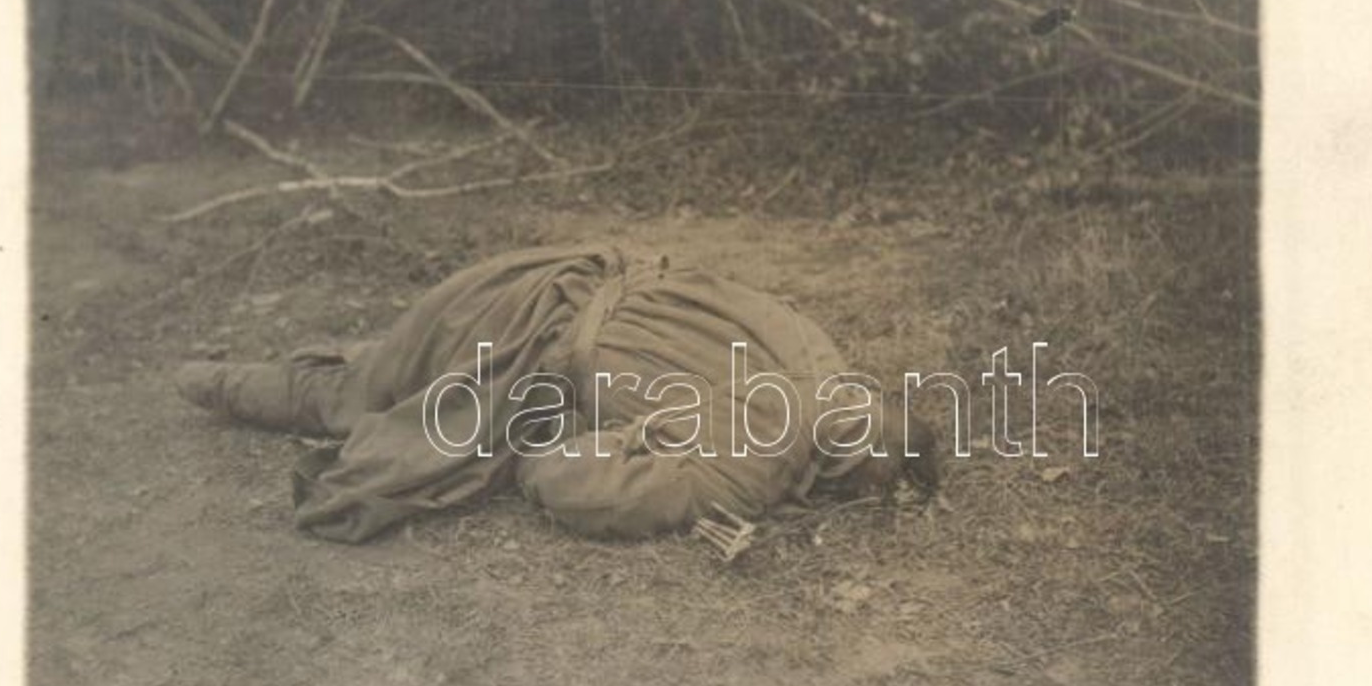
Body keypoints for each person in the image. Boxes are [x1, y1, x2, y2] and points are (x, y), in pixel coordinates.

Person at [174, 243, 938, 545]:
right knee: (373, 412)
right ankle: (215, 383)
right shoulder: (748, 470)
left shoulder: (819, 353)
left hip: (561, 266)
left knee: (390, 368)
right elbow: (576, 485)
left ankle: (221, 373)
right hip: (523, 332)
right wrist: (560, 432)